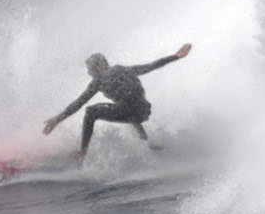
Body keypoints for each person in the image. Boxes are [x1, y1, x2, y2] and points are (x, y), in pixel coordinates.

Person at [42, 43, 191, 158]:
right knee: (129, 110)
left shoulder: (98, 80)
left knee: (91, 111)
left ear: (97, 67)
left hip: (130, 109)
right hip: (143, 110)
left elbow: (79, 103)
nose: (89, 73)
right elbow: (150, 66)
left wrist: (56, 120)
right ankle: (149, 147)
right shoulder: (124, 69)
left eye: (90, 69)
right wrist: (176, 56)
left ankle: (82, 152)